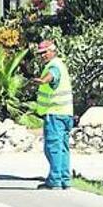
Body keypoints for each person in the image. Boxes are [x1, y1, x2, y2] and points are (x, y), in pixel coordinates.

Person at [32, 39, 74, 190]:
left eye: (44, 52)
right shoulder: (60, 64)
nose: (42, 56)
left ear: (52, 50)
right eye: (40, 53)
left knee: (53, 148)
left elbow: (52, 76)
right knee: (62, 147)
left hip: (55, 114)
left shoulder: (54, 66)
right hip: (65, 113)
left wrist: (42, 81)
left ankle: (55, 180)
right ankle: (64, 179)